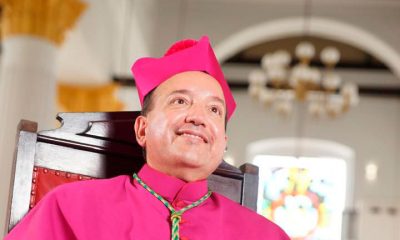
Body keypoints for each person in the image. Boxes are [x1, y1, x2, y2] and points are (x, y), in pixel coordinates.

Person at [4, 36, 289, 240]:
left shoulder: (265, 234)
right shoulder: (69, 206)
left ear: (223, 142)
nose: (198, 117)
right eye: (180, 102)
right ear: (141, 129)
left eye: (214, 109)